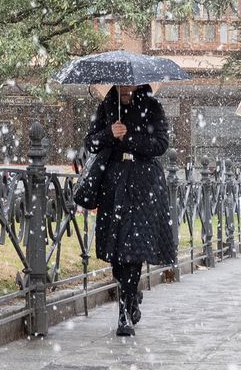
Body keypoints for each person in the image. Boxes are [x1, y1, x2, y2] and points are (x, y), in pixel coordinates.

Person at [84, 84, 175, 337]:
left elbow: (161, 144)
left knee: (132, 251)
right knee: (116, 252)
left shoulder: (152, 107)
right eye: (122, 85)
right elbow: (90, 142)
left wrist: (129, 138)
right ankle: (131, 294)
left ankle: (124, 314)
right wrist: (109, 134)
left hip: (144, 185)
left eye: (130, 85)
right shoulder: (106, 107)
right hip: (113, 185)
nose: (126, 89)